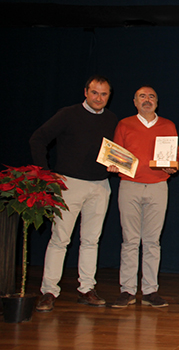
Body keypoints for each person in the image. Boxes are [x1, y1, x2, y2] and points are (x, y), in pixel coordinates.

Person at [30, 76, 118, 312]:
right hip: (69, 185)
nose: (99, 98)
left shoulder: (112, 120)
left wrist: (115, 165)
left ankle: (86, 289)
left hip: (100, 186)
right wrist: (46, 175)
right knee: (60, 239)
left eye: (104, 94)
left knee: (91, 240)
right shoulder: (67, 114)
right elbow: (37, 139)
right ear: (86, 92)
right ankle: (49, 291)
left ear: (109, 96)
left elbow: (116, 153)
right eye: (95, 93)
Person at [109, 86, 178, 309]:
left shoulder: (168, 125)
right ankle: (127, 289)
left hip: (158, 186)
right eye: (142, 97)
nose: (147, 100)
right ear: (134, 101)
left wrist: (172, 167)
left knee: (152, 241)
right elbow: (116, 153)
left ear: (157, 102)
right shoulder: (124, 124)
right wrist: (112, 164)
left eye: (151, 97)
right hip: (129, 185)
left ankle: (150, 290)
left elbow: (173, 158)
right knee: (130, 240)